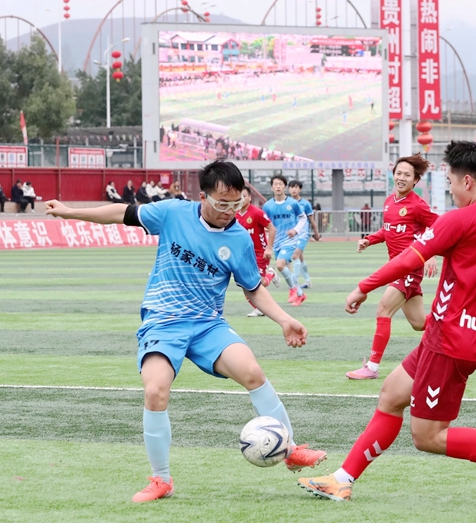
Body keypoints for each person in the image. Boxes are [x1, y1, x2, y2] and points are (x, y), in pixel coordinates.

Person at [298, 141, 476, 508]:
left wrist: (363, 287)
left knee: (428, 436)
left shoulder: (462, 218)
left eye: (452, 183)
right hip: (452, 338)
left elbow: (408, 260)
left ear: (468, 181)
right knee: (391, 395)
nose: (452, 192)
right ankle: (342, 480)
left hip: (450, 343)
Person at [43, 160, 326, 503]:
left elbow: (252, 288)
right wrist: (70, 212)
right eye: (222, 203)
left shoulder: (238, 238)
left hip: (208, 325)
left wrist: (284, 320)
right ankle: (161, 479)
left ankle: (290, 449)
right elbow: (122, 213)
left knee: (252, 372)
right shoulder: (173, 213)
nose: (229, 211)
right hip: (163, 321)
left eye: (235, 203)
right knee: (155, 391)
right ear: (203, 197)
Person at [345, 153, 439, 380]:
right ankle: (450, 321)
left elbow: (438, 226)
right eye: (398, 173)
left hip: (408, 269)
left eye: (407, 175)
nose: (401, 178)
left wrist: (431, 254)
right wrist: (370, 240)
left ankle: (372, 368)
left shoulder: (417, 205)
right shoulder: (389, 202)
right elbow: (388, 230)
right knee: (419, 323)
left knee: (383, 310)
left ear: (415, 180)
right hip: (395, 268)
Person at [262, 175, 307, 306]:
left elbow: (303, 218)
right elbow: (266, 224)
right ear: (272, 187)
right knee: (286, 268)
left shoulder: (293, 203)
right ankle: (300, 294)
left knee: (280, 265)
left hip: (290, 240)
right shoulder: (268, 206)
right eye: (275, 184)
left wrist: (295, 230)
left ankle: (293, 289)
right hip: (276, 242)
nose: (278, 186)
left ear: (285, 187)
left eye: (280, 184)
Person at [236, 188, 279, 317]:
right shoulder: (234, 214)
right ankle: (258, 308)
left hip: (260, 253)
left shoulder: (257, 213)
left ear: (249, 197)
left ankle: (271, 273)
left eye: (244, 196)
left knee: (260, 283)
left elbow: (272, 229)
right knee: (244, 284)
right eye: (239, 196)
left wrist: (269, 248)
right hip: (243, 255)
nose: (241, 199)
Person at [287, 180, 320, 290]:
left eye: (296, 187)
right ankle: (307, 281)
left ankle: (294, 283)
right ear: (288, 189)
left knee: (295, 255)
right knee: (300, 258)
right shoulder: (287, 203)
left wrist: (316, 233)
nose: (294, 189)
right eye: (292, 187)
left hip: (303, 234)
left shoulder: (305, 204)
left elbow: (311, 220)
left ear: (300, 189)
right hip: (292, 234)